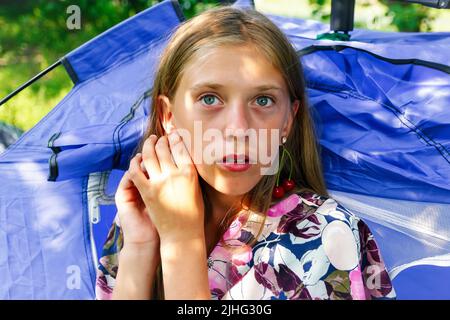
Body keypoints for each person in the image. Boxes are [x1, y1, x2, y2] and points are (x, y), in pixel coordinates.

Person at [95, 5, 396, 300]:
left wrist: (181, 241)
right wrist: (139, 245)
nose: (238, 129)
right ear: (168, 116)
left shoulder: (322, 237)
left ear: (287, 121)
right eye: (210, 98)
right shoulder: (146, 213)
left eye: (263, 101)